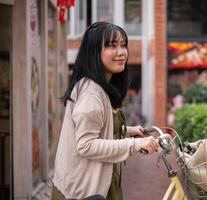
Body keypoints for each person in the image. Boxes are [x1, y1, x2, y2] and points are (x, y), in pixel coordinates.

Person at [51, 22, 159, 200]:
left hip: (98, 184)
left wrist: (130, 131)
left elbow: (101, 128)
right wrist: (136, 144)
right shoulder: (91, 93)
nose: (121, 52)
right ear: (94, 52)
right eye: (111, 45)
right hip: (83, 192)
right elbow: (86, 145)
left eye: (123, 45)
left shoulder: (100, 86)